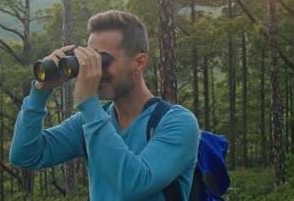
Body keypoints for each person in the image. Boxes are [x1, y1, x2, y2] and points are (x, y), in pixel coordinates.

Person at [10, 10, 199, 200]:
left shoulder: (177, 122)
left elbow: (135, 183)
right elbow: (25, 155)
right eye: (92, 59)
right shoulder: (87, 122)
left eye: (103, 60)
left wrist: (88, 103)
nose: (96, 71)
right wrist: (41, 91)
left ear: (139, 63)